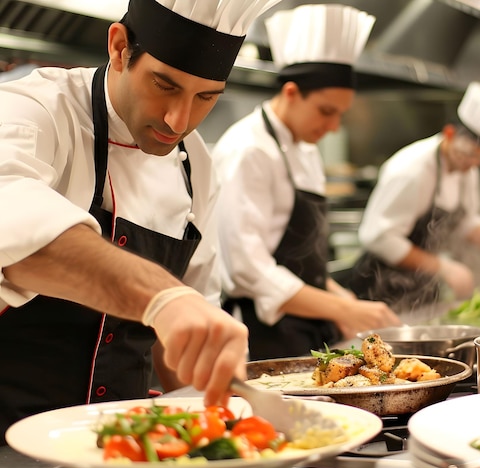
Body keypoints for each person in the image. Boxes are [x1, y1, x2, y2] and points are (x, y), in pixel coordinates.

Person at [0, 0, 282, 443]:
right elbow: (12, 226)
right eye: (164, 85)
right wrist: (163, 297)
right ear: (118, 47)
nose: (179, 120)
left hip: (129, 443)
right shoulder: (35, 112)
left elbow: (186, 342)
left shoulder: (196, 168)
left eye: (207, 97)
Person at [213, 4, 402, 361]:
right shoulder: (248, 150)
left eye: (340, 115)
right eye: (326, 111)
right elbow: (246, 271)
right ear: (290, 93)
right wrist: (342, 309)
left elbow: (304, 264)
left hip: (307, 329)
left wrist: (344, 301)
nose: (333, 127)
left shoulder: (306, 148)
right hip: (264, 337)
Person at [349, 82, 480, 311]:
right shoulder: (411, 170)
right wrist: (443, 267)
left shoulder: (466, 170)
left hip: (421, 288)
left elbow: (466, 224)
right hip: (380, 289)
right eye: (467, 154)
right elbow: (379, 238)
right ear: (448, 134)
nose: (472, 164)